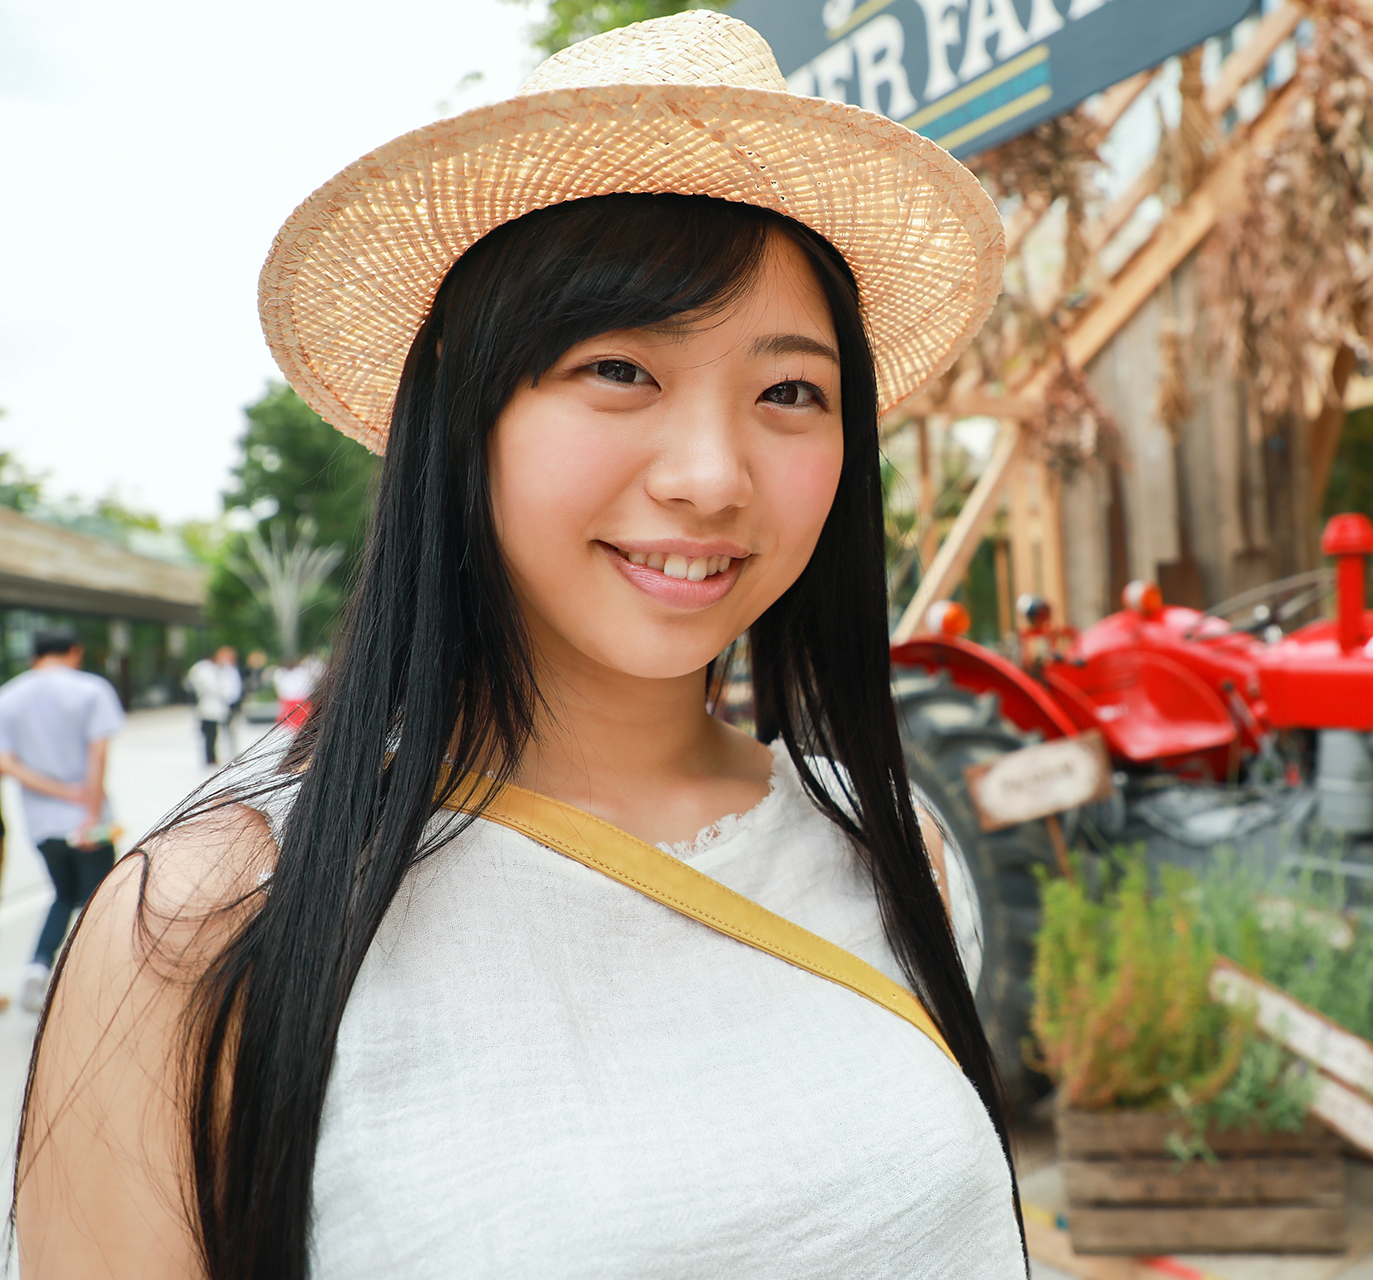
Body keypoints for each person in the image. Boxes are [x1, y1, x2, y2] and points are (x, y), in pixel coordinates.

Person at [18, 12, 1022, 1279]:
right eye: (617, 368)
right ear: (466, 409)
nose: (714, 477)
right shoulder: (203, 930)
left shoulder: (897, 853)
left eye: (788, 391)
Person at [0, 629, 124, 1013]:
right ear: (74, 651)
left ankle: (37, 968)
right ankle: (99, 983)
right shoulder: (91, 689)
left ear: (34, 655)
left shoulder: (9, 696)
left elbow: (5, 763)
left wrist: (55, 791)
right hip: (88, 819)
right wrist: (85, 807)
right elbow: (98, 754)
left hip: (41, 823)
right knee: (97, 901)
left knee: (63, 894)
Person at [184, 646, 242, 766]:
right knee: (210, 734)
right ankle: (211, 758)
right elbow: (214, 687)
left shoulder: (221, 669)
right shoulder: (205, 669)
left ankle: (219, 755)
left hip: (220, 706)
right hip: (210, 707)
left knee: (218, 733)